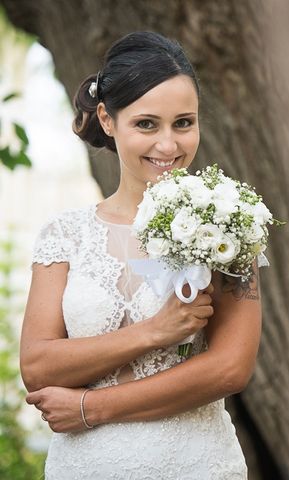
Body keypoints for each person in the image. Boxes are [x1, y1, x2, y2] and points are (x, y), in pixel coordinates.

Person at [19, 31, 262, 479]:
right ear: (108, 121)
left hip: (198, 464)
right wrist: (154, 331)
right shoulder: (65, 234)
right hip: (86, 468)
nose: (168, 146)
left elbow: (230, 368)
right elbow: (37, 367)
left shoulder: (228, 226)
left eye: (183, 123)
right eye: (147, 124)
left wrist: (91, 407)